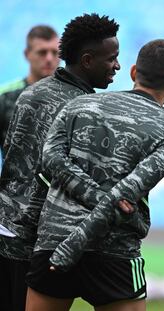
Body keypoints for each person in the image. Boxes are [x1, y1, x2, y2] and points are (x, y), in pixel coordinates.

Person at [25, 39, 164, 311]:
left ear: (134, 72)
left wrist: (70, 246)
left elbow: (50, 158)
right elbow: (124, 194)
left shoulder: (79, 105)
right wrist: (113, 206)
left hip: (55, 241)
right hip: (115, 253)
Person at [0, 13, 120, 311]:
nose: (117, 65)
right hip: (41, 239)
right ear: (88, 60)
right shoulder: (86, 107)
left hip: (8, 230)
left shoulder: (30, 94)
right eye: (112, 58)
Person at [0, 25, 59, 155]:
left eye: (55, 52)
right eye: (42, 52)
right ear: (27, 54)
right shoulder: (4, 97)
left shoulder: (74, 99)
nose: (49, 58)